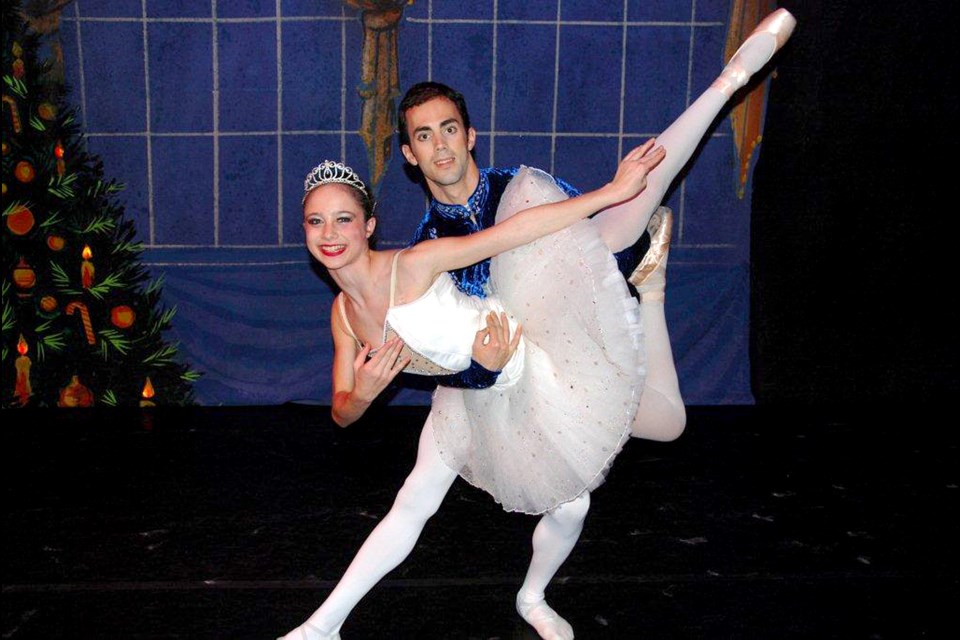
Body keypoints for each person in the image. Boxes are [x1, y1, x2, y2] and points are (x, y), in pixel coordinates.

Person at [281, 9, 796, 639]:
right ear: (410, 157)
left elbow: (542, 238)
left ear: (469, 136)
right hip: (490, 372)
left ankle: (726, 85)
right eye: (422, 137)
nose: (439, 145)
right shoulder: (418, 250)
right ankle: (326, 625)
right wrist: (391, 387)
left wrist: (614, 189)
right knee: (656, 430)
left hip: (555, 324)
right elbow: (426, 366)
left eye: (448, 130)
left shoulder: (509, 195)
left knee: (620, 213)